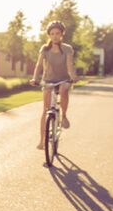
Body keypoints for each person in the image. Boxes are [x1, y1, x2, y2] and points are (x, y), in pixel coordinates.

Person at [30, 21, 78, 149]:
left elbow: (69, 64)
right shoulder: (45, 49)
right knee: (45, 110)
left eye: (57, 33)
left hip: (63, 79)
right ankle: (42, 141)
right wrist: (35, 78)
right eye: (52, 34)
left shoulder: (67, 49)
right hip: (49, 80)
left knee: (63, 90)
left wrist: (72, 76)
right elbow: (39, 65)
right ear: (49, 36)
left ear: (62, 34)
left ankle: (64, 116)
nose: (55, 36)